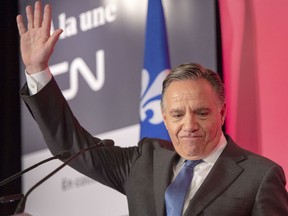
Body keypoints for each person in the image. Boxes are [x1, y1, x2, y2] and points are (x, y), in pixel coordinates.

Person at [17, 1, 288, 215]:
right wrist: (37, 71)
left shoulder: (260, 176)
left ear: (222, 113)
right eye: (177, 115)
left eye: (202, 113)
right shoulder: (143, 163)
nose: (189, 125)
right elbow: (70, 146)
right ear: (164, 118)